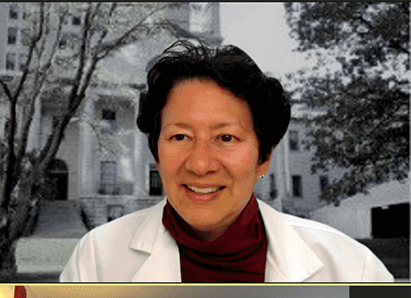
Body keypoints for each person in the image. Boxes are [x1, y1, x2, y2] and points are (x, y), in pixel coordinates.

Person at [59, 40, 393, 282]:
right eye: (180, 137)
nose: (200, 165)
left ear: (264, 159)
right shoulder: (96, 260)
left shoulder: (354, 269)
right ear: (157, 156)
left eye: (226, 138)